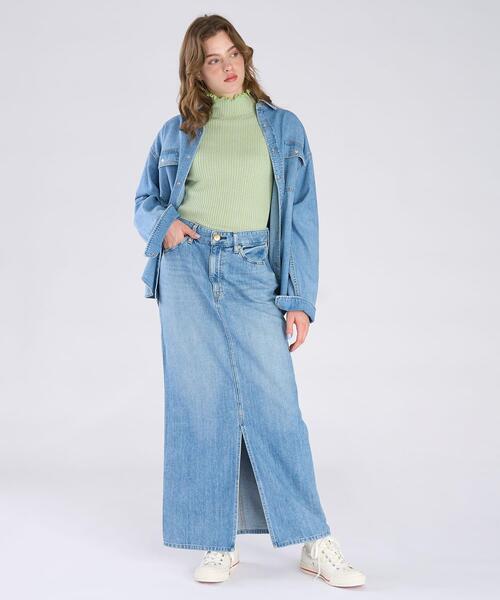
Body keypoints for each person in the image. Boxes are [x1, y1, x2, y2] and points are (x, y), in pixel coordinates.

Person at [133, 14, 366, 588]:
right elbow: (145, 199)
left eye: (232, 53)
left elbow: (303, 217)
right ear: (197, 71)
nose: (227, 66)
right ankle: (218, 539)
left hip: (251, 266)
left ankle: (313, 538)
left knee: (276, 404)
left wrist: (298, 298)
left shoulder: (284, 129)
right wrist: (164, 227)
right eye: (212, 59)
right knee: (201, 401)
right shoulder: (175, 132)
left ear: (245, 55)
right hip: (187, 270)